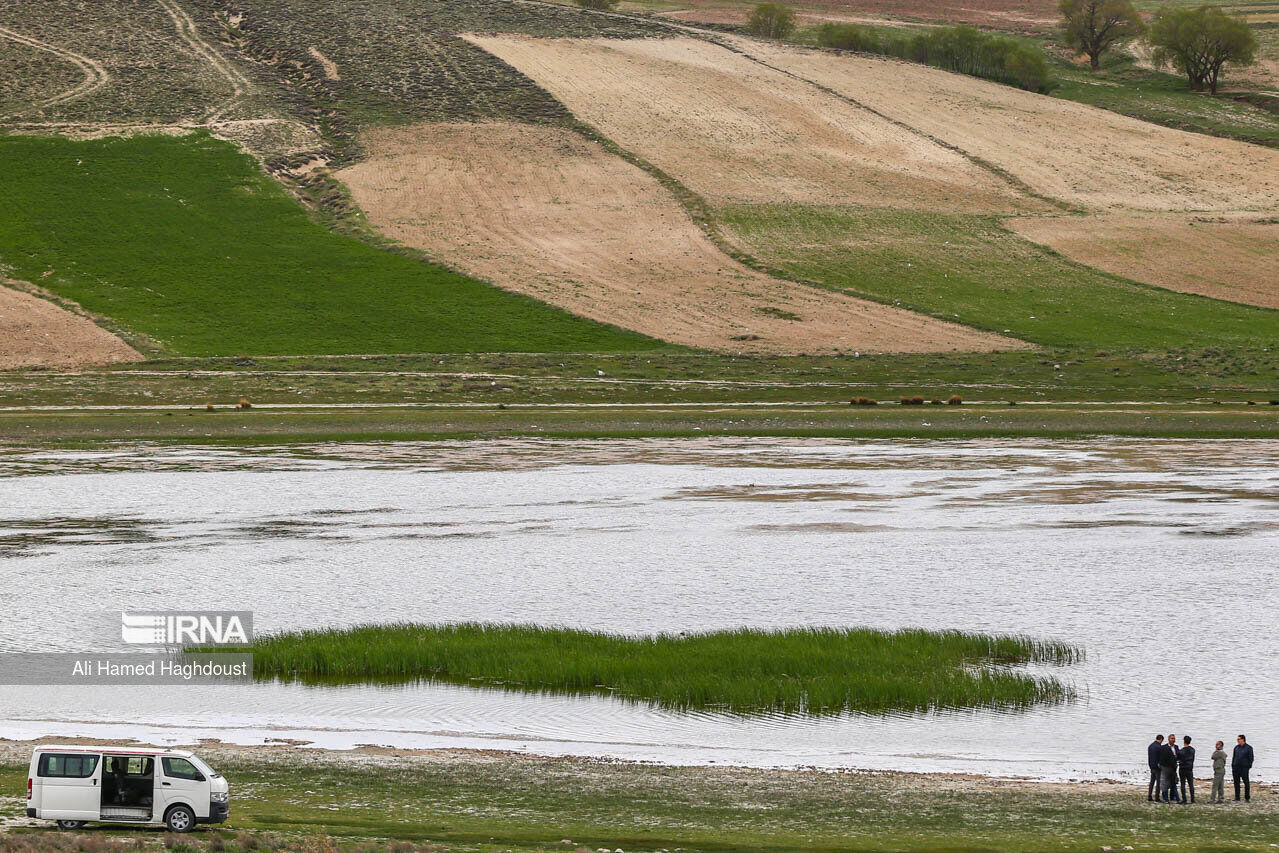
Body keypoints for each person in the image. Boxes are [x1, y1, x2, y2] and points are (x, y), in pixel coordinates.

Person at [1233, 734, 1255, 802]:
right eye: (1237, 739)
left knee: (1246, 783)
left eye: (1239, 739)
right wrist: (1233, 766)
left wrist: (1248, 766)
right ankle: (1237, 797)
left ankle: (1247, 798)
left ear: (1243, 739)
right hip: (1236, 768)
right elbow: (1234, 757)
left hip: (1244, 768)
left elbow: (1251, 758)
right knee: (1236, 783)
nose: (1238, 740)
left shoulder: (1249, 748)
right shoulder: (1236, 747)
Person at [1160, 734, 1181, 802]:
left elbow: (1178, 756)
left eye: (1174, 738)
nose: (1173, 740)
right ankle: (1166, 798)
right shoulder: (1164, 747)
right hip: (1166, 768)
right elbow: (1162, 758)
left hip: (1173, 768)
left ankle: (1176, 798)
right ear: (1169, 739)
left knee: (1174, 783)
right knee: (1165, 783)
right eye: (1172, 738)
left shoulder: (1176, 747)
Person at [1179, 735, 1196, 804]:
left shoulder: (1181, 751)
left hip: (1183, 768)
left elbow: (1178, 758)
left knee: (1183, 784)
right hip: (1189, 768)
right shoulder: (1192, 750)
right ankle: (1192, 799)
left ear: (1184, 741)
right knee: (1191, 784)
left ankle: (1184, 799)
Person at [1147, 734, 1165, 801]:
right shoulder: (1159, 747)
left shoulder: (1150, 746)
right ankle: (1157, 797)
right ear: (1161, 739)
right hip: (1157, 767)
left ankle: (1149, 795)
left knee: (1152, 782)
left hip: (1152, 766)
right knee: (1158, 783)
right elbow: (1161, 758)